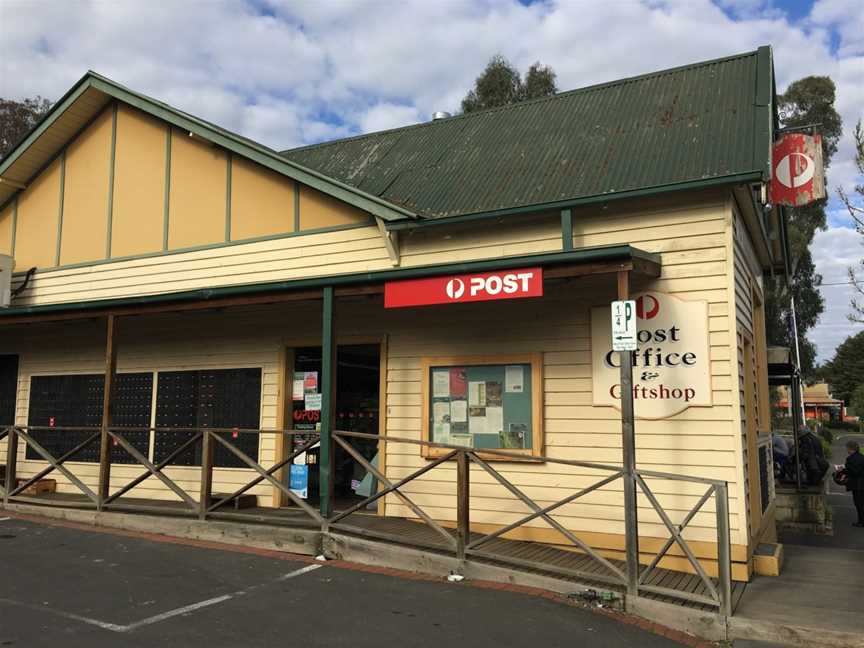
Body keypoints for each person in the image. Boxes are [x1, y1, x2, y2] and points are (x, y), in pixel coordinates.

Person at [844, 440, 864, 528]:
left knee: (859, 504)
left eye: (847, 448)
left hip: (857, 484)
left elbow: (854, 472)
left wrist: (845, 467)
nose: (847, 450)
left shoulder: (850, 459)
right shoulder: (862, 457)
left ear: (851, 449)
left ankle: (861, 522)